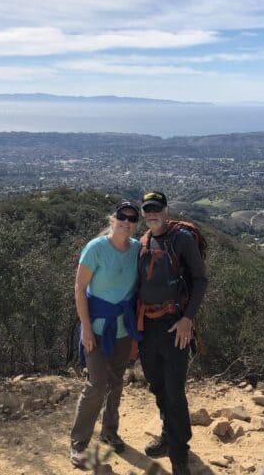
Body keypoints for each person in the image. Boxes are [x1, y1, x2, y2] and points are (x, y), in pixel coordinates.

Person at [137, 191, 208, 475]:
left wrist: (188, 319)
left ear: (166, 210)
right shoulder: (142, 242)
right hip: (149, 325)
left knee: (175, 391)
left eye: (157, 208)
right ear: (143, 213)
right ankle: (168, 435)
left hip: (175, 324)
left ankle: (180, 452)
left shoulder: (182, 240)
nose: (152, 213)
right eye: (148, 209)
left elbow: (201, 280)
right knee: (157, 386)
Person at [69, 200, 142, 470]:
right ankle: (78, 443)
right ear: (113, 219)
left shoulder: (136, 249)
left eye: (132, 218)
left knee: (116, 382)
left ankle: (110, 431)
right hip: (97, 328)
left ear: (136, 223)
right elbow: (79, 288)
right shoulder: (96, 248)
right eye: (122, 216)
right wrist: (85, 327)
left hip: (123, 328)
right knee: (97, 385)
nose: (127, 221)